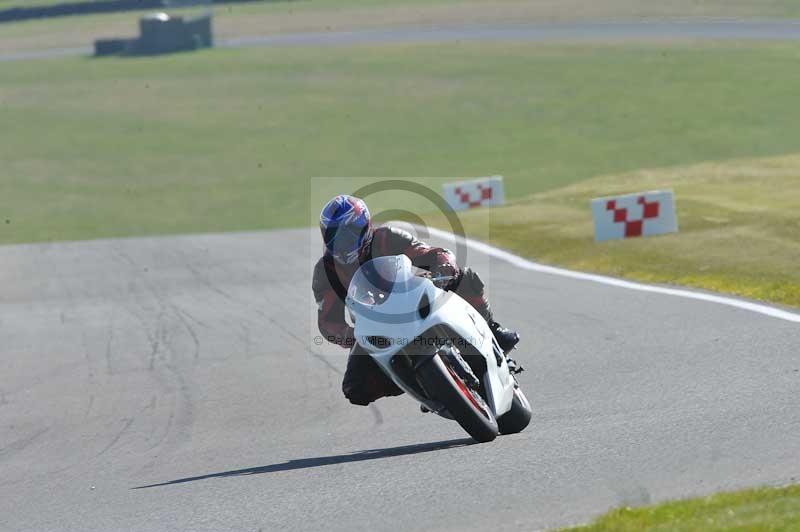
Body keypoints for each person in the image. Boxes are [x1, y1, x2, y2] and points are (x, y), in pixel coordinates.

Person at [312, 194, 520, 406]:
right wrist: (349, 335)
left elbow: (430, 253)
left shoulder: (387, 237)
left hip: (413, 297)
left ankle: (492, 330)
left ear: (365, 226)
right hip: (373, 327)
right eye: (334, 236)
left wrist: (444, 265)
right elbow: (328, 322)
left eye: (349, 234)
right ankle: (420, 383)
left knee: (465, 277)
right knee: (355, 389)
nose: (342, 242)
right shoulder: (325, 272)